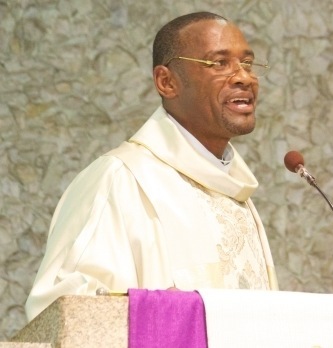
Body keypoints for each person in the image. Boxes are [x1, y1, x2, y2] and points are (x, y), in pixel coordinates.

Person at [25, 11, 279, 321]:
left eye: (248, 63)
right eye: (219, 63)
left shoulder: (237, 195)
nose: (244, 77)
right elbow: (61, 313)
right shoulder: (120, 180)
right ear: (167, 82)